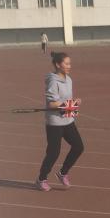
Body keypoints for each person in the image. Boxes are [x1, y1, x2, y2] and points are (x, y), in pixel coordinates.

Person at [36, 52, 83, 191]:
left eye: (70, 63)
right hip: (55, 123)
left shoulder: (69, 79)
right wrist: (70, 103)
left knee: (78, 147)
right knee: (53, 153)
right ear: (58, 65)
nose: (69, 66)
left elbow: (66, 102)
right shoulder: (53, 81)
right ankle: (41, 179)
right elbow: (52, 104)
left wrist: (73, 104)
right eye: (66, 64)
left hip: (68, 120)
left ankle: (63, 173)